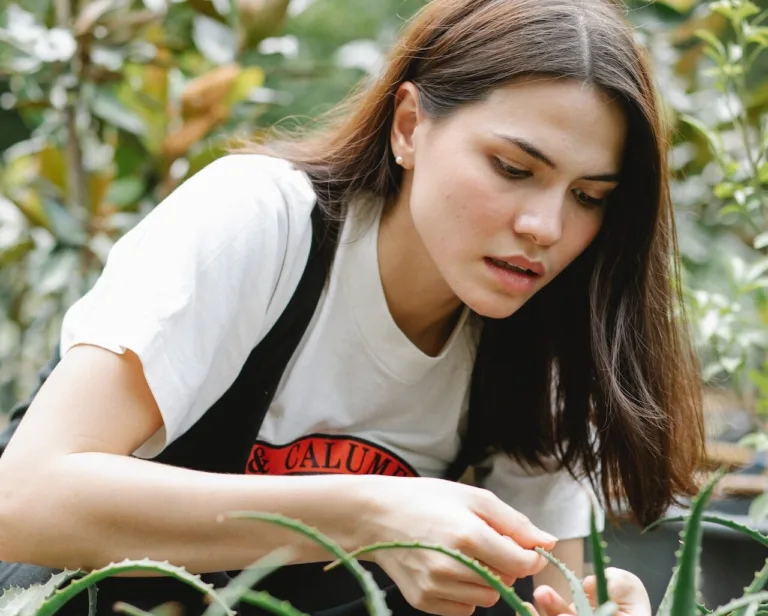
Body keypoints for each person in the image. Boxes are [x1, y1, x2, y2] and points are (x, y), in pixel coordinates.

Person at [0, 0, 705, 614]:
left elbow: (553, 588)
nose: (545, 228)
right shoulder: (261, 221)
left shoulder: (545, 341)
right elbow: (22, 500)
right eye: (513, 169)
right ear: (409, 126)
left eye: (589, 197)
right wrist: (369, 514)